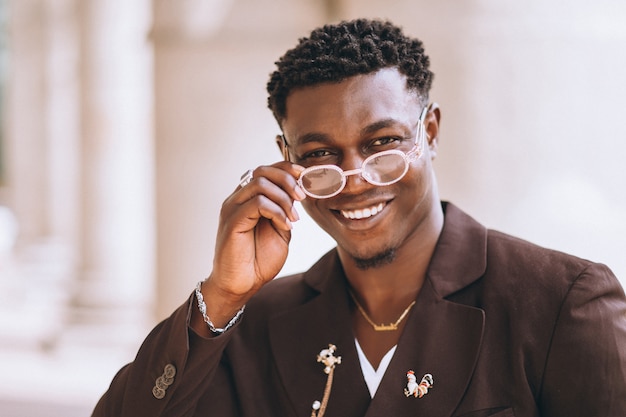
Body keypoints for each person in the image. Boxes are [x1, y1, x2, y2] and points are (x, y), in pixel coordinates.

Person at [92, 18, 626, 417]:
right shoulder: (255, 323)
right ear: (286, 158)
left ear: (430, 133)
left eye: (383, 143)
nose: (354, 180)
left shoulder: (561, 302)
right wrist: (222, 297)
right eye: (320, 154)